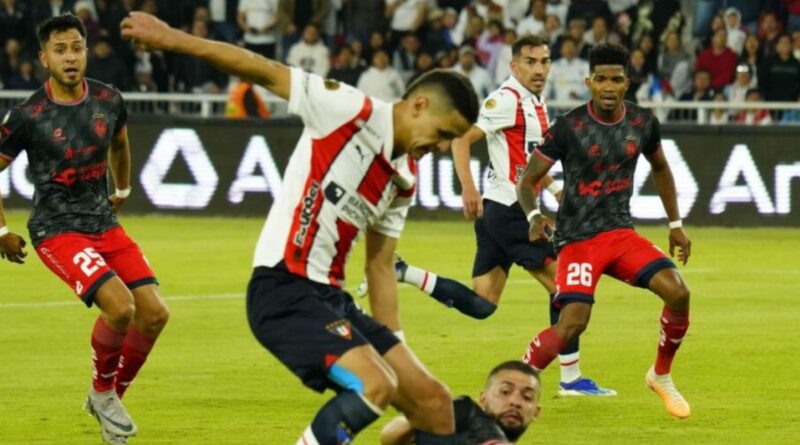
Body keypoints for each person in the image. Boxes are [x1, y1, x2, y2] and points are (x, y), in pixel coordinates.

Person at [120, 11, 479, 445]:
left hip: (332, 300)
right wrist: (171, 37)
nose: (443, 148)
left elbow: (381, 268)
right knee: (375, 385)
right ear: (419, 105)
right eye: (443, 134)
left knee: (435, 403)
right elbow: (262, 69)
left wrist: (395, 350)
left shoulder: (403, 181)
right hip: (282, 289)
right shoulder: (349, 110)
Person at [366, 35, 614, 397]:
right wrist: (467, 187)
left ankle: (405, 271)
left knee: (483, 304)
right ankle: (570, 377)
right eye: (530, 61)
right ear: (514, 66)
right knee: (567, 288)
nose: (539, 69)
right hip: (510, 210)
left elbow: (526, 162)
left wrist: (557, 190)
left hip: (501, 211)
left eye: (544, 61)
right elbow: (461, 139)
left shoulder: (536, 103)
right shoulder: (506, 99)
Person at [0, 14, 169, 444]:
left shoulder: (109, 99)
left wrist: (124, 186)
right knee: (121, 307)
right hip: (56, 229)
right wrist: (0, 232)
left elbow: (120, 143)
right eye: (60, 50)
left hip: (102, 221)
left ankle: (109, 400)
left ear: (85, 51)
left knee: (154, 313)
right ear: (44, 59)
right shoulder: (27, 115)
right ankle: (103, 394)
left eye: (76, 47)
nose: (70, 57)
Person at [516, 44, 692, 419]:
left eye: (616, 79)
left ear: (627, 83)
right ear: (589, 82)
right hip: (577, 239)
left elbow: (661, 168)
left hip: (620, 234)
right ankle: (514, 384)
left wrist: (675, 225)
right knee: (573, 323)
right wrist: (534, 215)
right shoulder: (569, 127)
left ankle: (660, 375)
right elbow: (527, 180)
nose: (608, 86)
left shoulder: (643, 123)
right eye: (601, 79)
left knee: (678, 292)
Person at [380, 361, 541, 445]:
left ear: (536, 412)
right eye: (505, 392)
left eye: (527, 397)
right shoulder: (461, 421)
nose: (514, 402)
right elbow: (389, 437)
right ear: (483, 399)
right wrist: (436, 414)